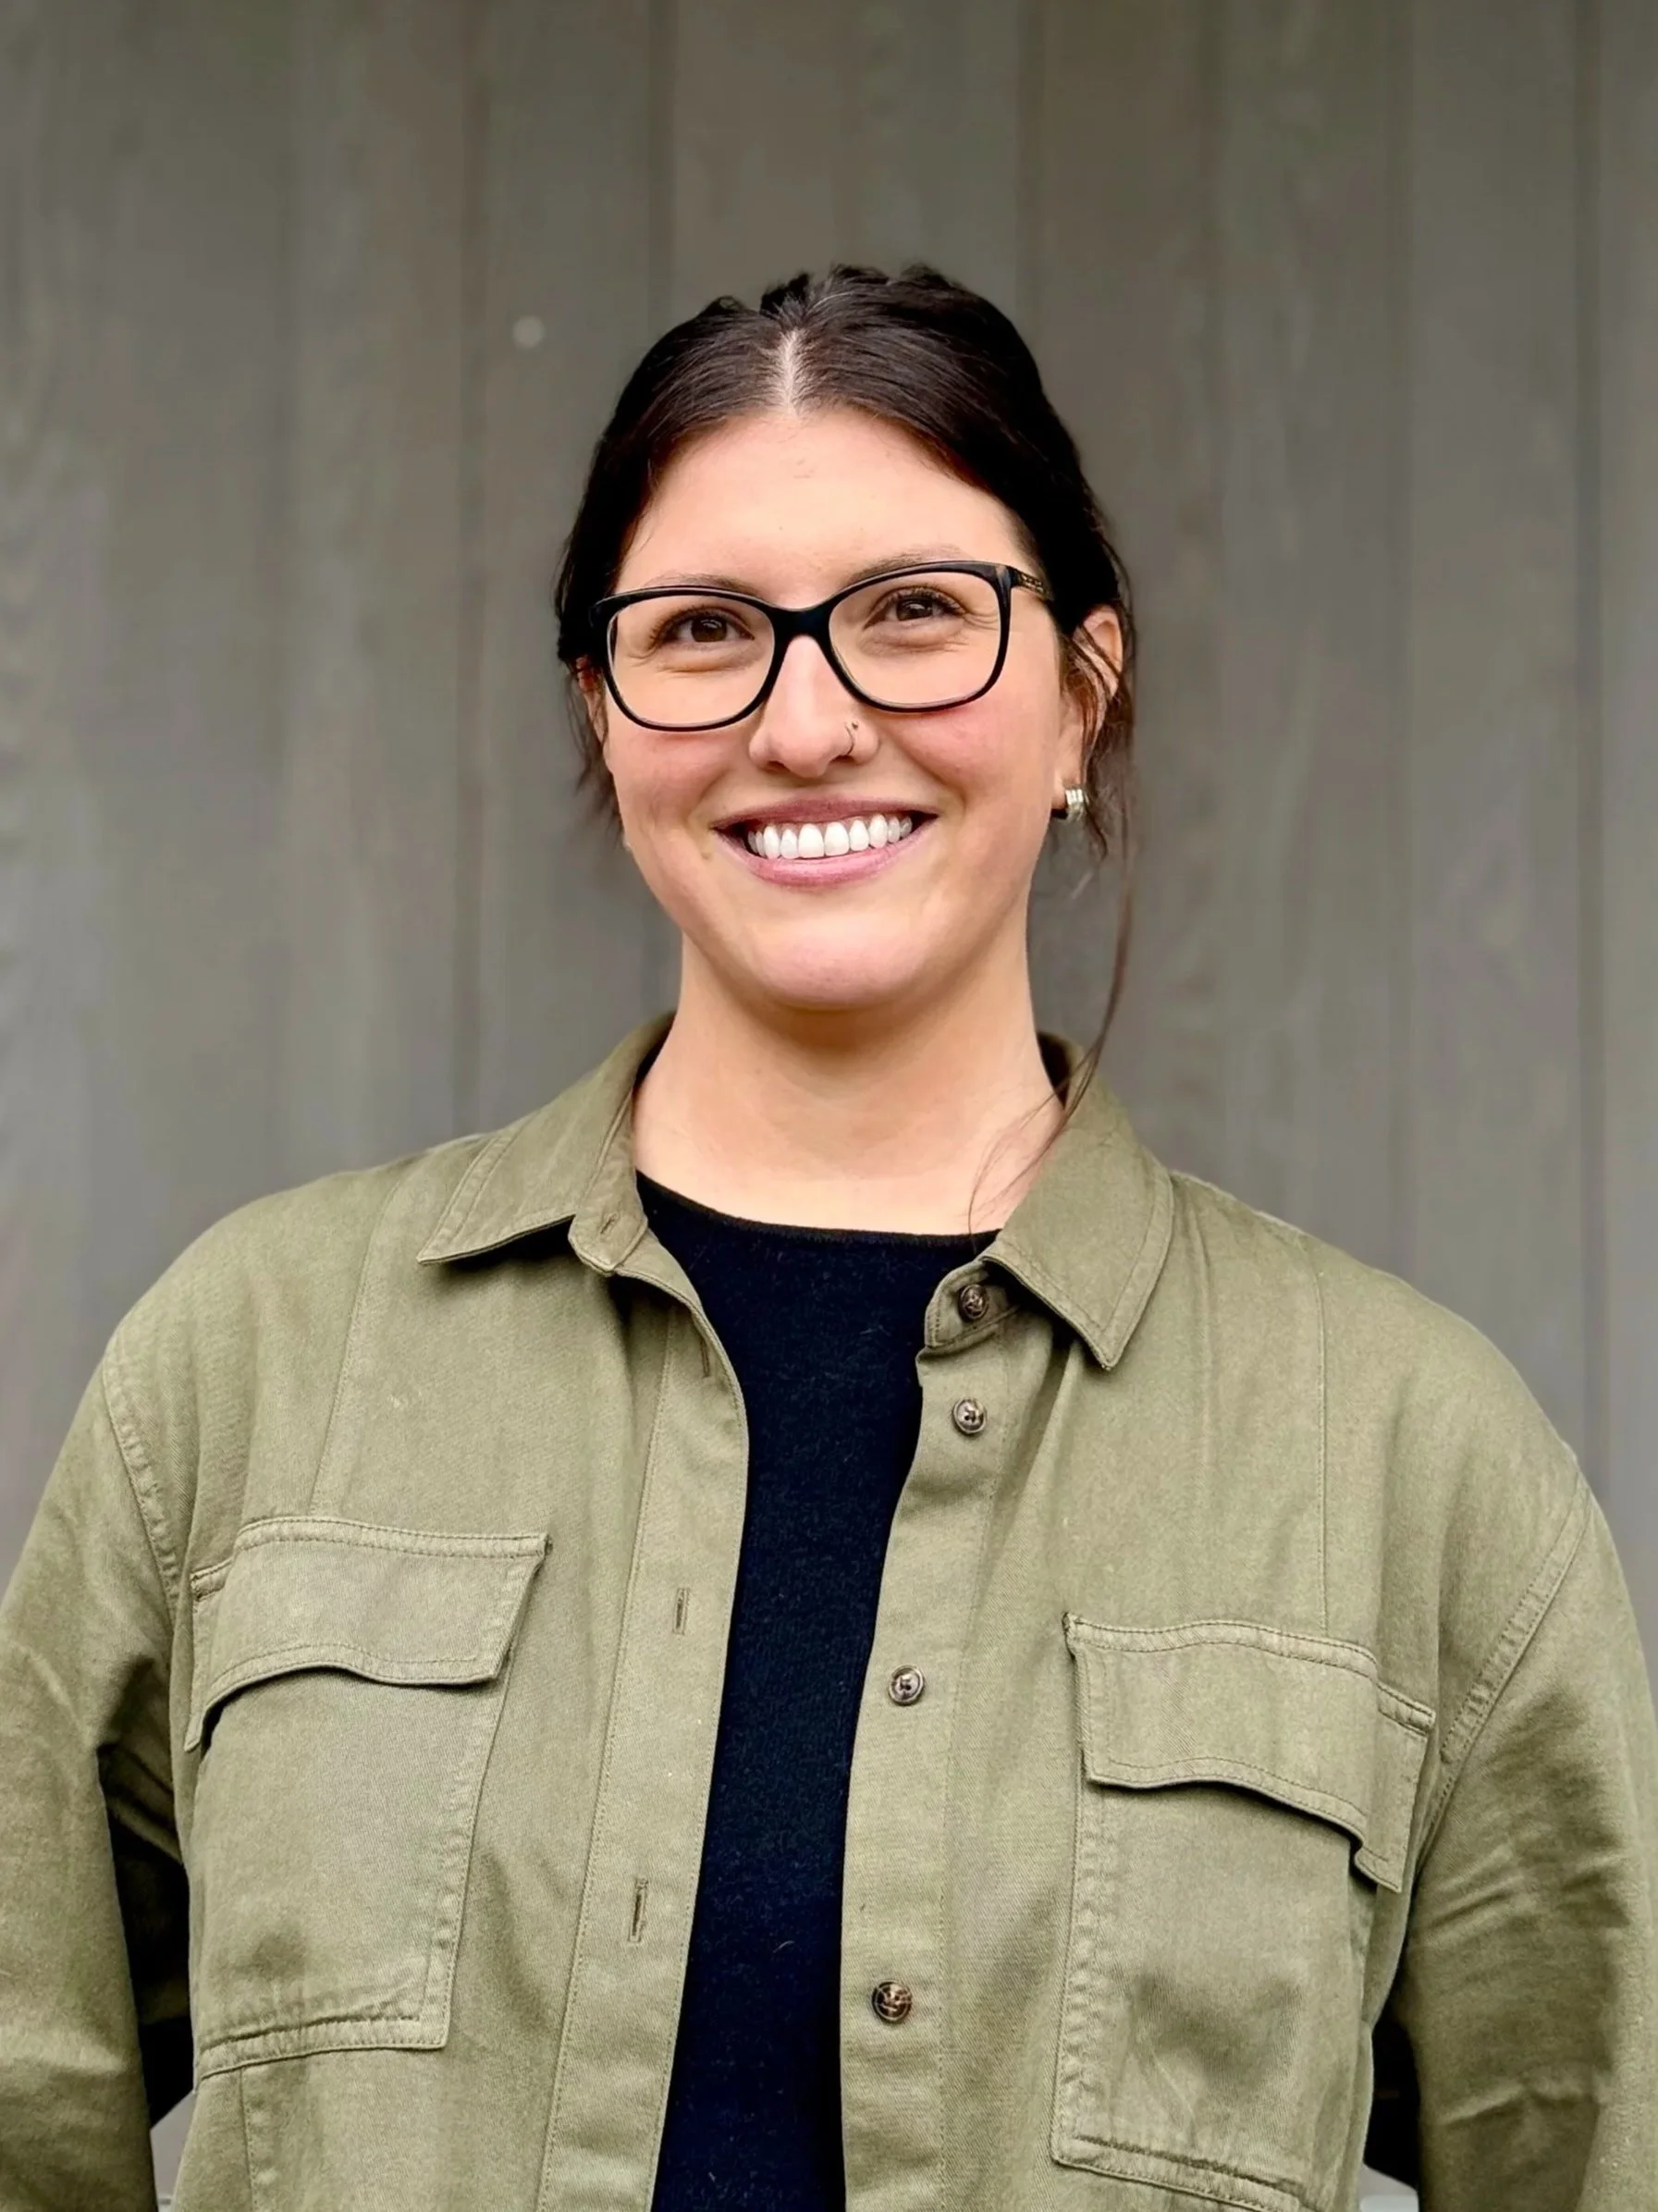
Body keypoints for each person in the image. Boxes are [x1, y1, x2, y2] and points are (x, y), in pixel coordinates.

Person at [1, 265, 1653, 2212]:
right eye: (701, 631)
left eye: (915, 616)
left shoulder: (1402, 1455)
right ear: (601, 718)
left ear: (1079, 697)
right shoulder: (252, 1368)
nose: (806, 719)